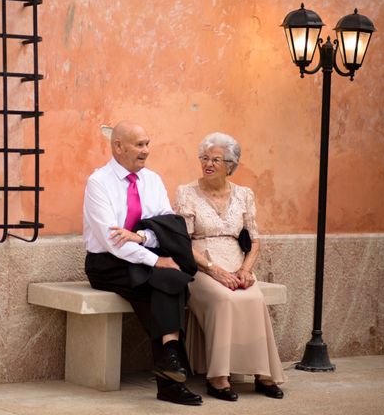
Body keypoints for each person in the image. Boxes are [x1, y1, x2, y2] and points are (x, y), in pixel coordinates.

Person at [83, 121, 202, 406]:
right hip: (106, 264)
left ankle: (170, 362)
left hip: (141, 256)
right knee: (165, 283)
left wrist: (140, 237)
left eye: (147, 143)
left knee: (171, 281)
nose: (146, 151)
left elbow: (167, 226)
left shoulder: (153, 180)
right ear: (118, 146)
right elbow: (113, 241)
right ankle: (171, 369)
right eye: (139, 145)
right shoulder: (98, 182)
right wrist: (155, 259)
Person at [174, 132, 285, 401]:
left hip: (237, 262)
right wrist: (214, 269)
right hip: (200, 266)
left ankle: (263, 374)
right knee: (224, 298)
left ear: (230, 166)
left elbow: (255, 241)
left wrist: (245, 271)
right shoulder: (186, 193)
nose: (208, 164)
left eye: (216, 160)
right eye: (204, 158)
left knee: (253, 297)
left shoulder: (245, 194)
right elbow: (182, 242)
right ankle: (218, 377)